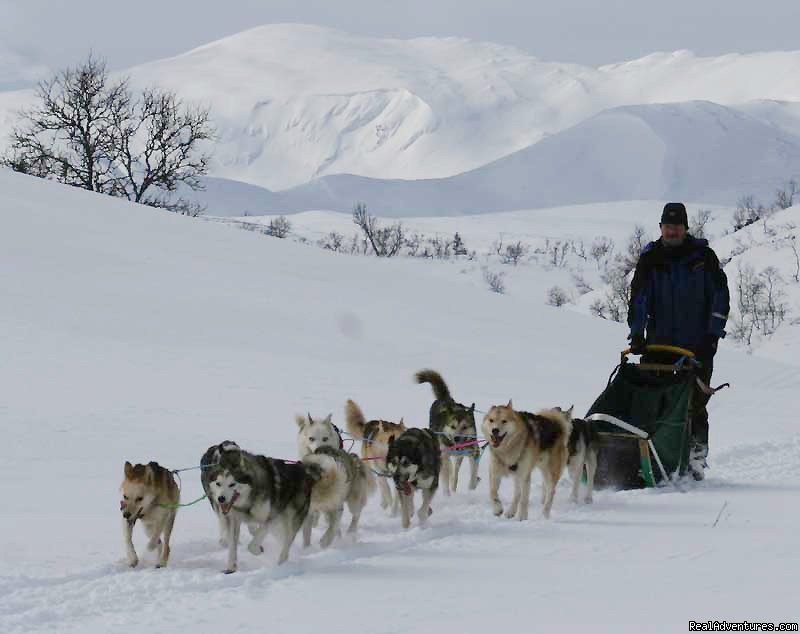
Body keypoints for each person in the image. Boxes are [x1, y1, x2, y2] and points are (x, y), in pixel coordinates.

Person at [627, 202, 730, 480]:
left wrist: (713, 334)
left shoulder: (703, 258)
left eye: (677, 226)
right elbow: (639, 298)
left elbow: (720, 297)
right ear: (661, 228)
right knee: (654, 399)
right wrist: (637, 333)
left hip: (697, 344)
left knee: (694, 403)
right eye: (667, 226)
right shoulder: (650, 259)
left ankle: (696, 458)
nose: (672, 231)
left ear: (685, 228)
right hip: (659, 344)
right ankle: (654, 453)